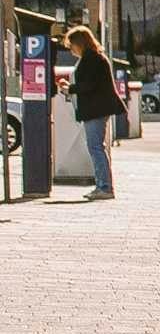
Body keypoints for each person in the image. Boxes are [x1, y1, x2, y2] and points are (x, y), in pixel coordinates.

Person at [64, 26, 121, 202]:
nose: (71, 49)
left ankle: (104, 187)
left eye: (71, 45)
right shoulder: (93, 58)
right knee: (96, 147)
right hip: (97, 108)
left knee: (95, 147)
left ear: (79, 43)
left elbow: (89, 85)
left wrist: (70, 88)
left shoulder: (91, 59)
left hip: (96, 109)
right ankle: (102, 186)